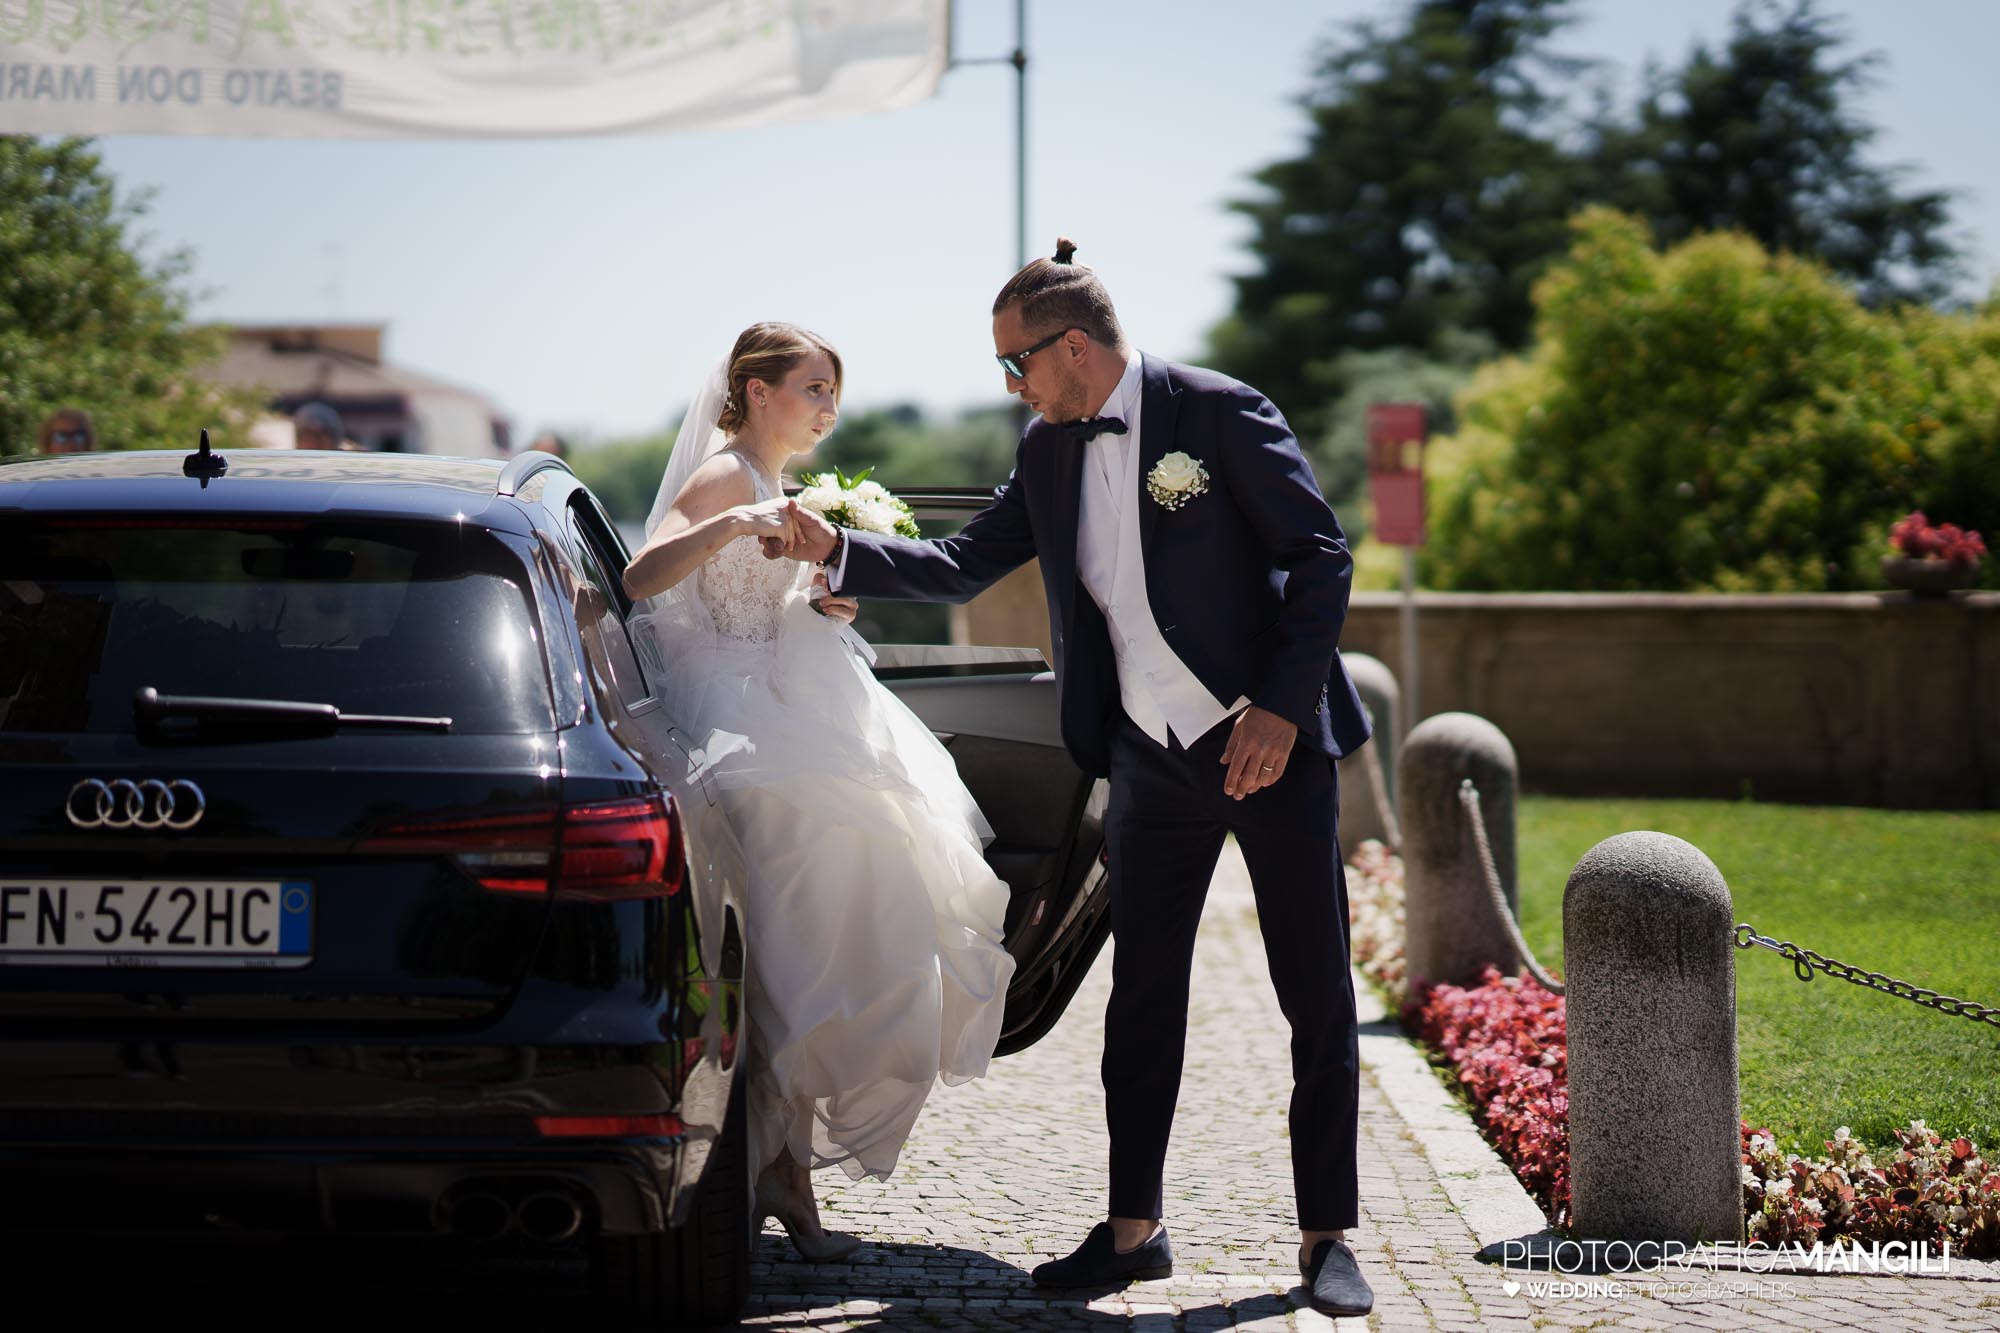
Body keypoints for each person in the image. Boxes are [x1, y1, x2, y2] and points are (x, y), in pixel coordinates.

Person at [770, 241, 1376, 1316]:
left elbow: (1319, 555)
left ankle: (1327, 1233)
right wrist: (842, 556)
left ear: (1074, 345)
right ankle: (1132, 1227)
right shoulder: (1048, 451)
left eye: (1018, 364)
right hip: (1147, 754)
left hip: (1266, 746)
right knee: (1140, 998)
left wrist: (1279, 710)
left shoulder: (1220, 412)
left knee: (1314, 994)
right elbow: (965, 559)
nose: (1010, 385)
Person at [621, 322, 1016, 1262]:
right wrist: (729, 524)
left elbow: (779, 599)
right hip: (730, 717)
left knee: (835, 913)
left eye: (834, 392)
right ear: (756, 392)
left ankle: (782, 1169)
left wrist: (825, 596)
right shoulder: (724, 476)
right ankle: (770, 1173)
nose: (828, 408)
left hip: (791, 700)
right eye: (812, 388)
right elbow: (642, 578)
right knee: (785, 943)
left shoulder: (785, 487)